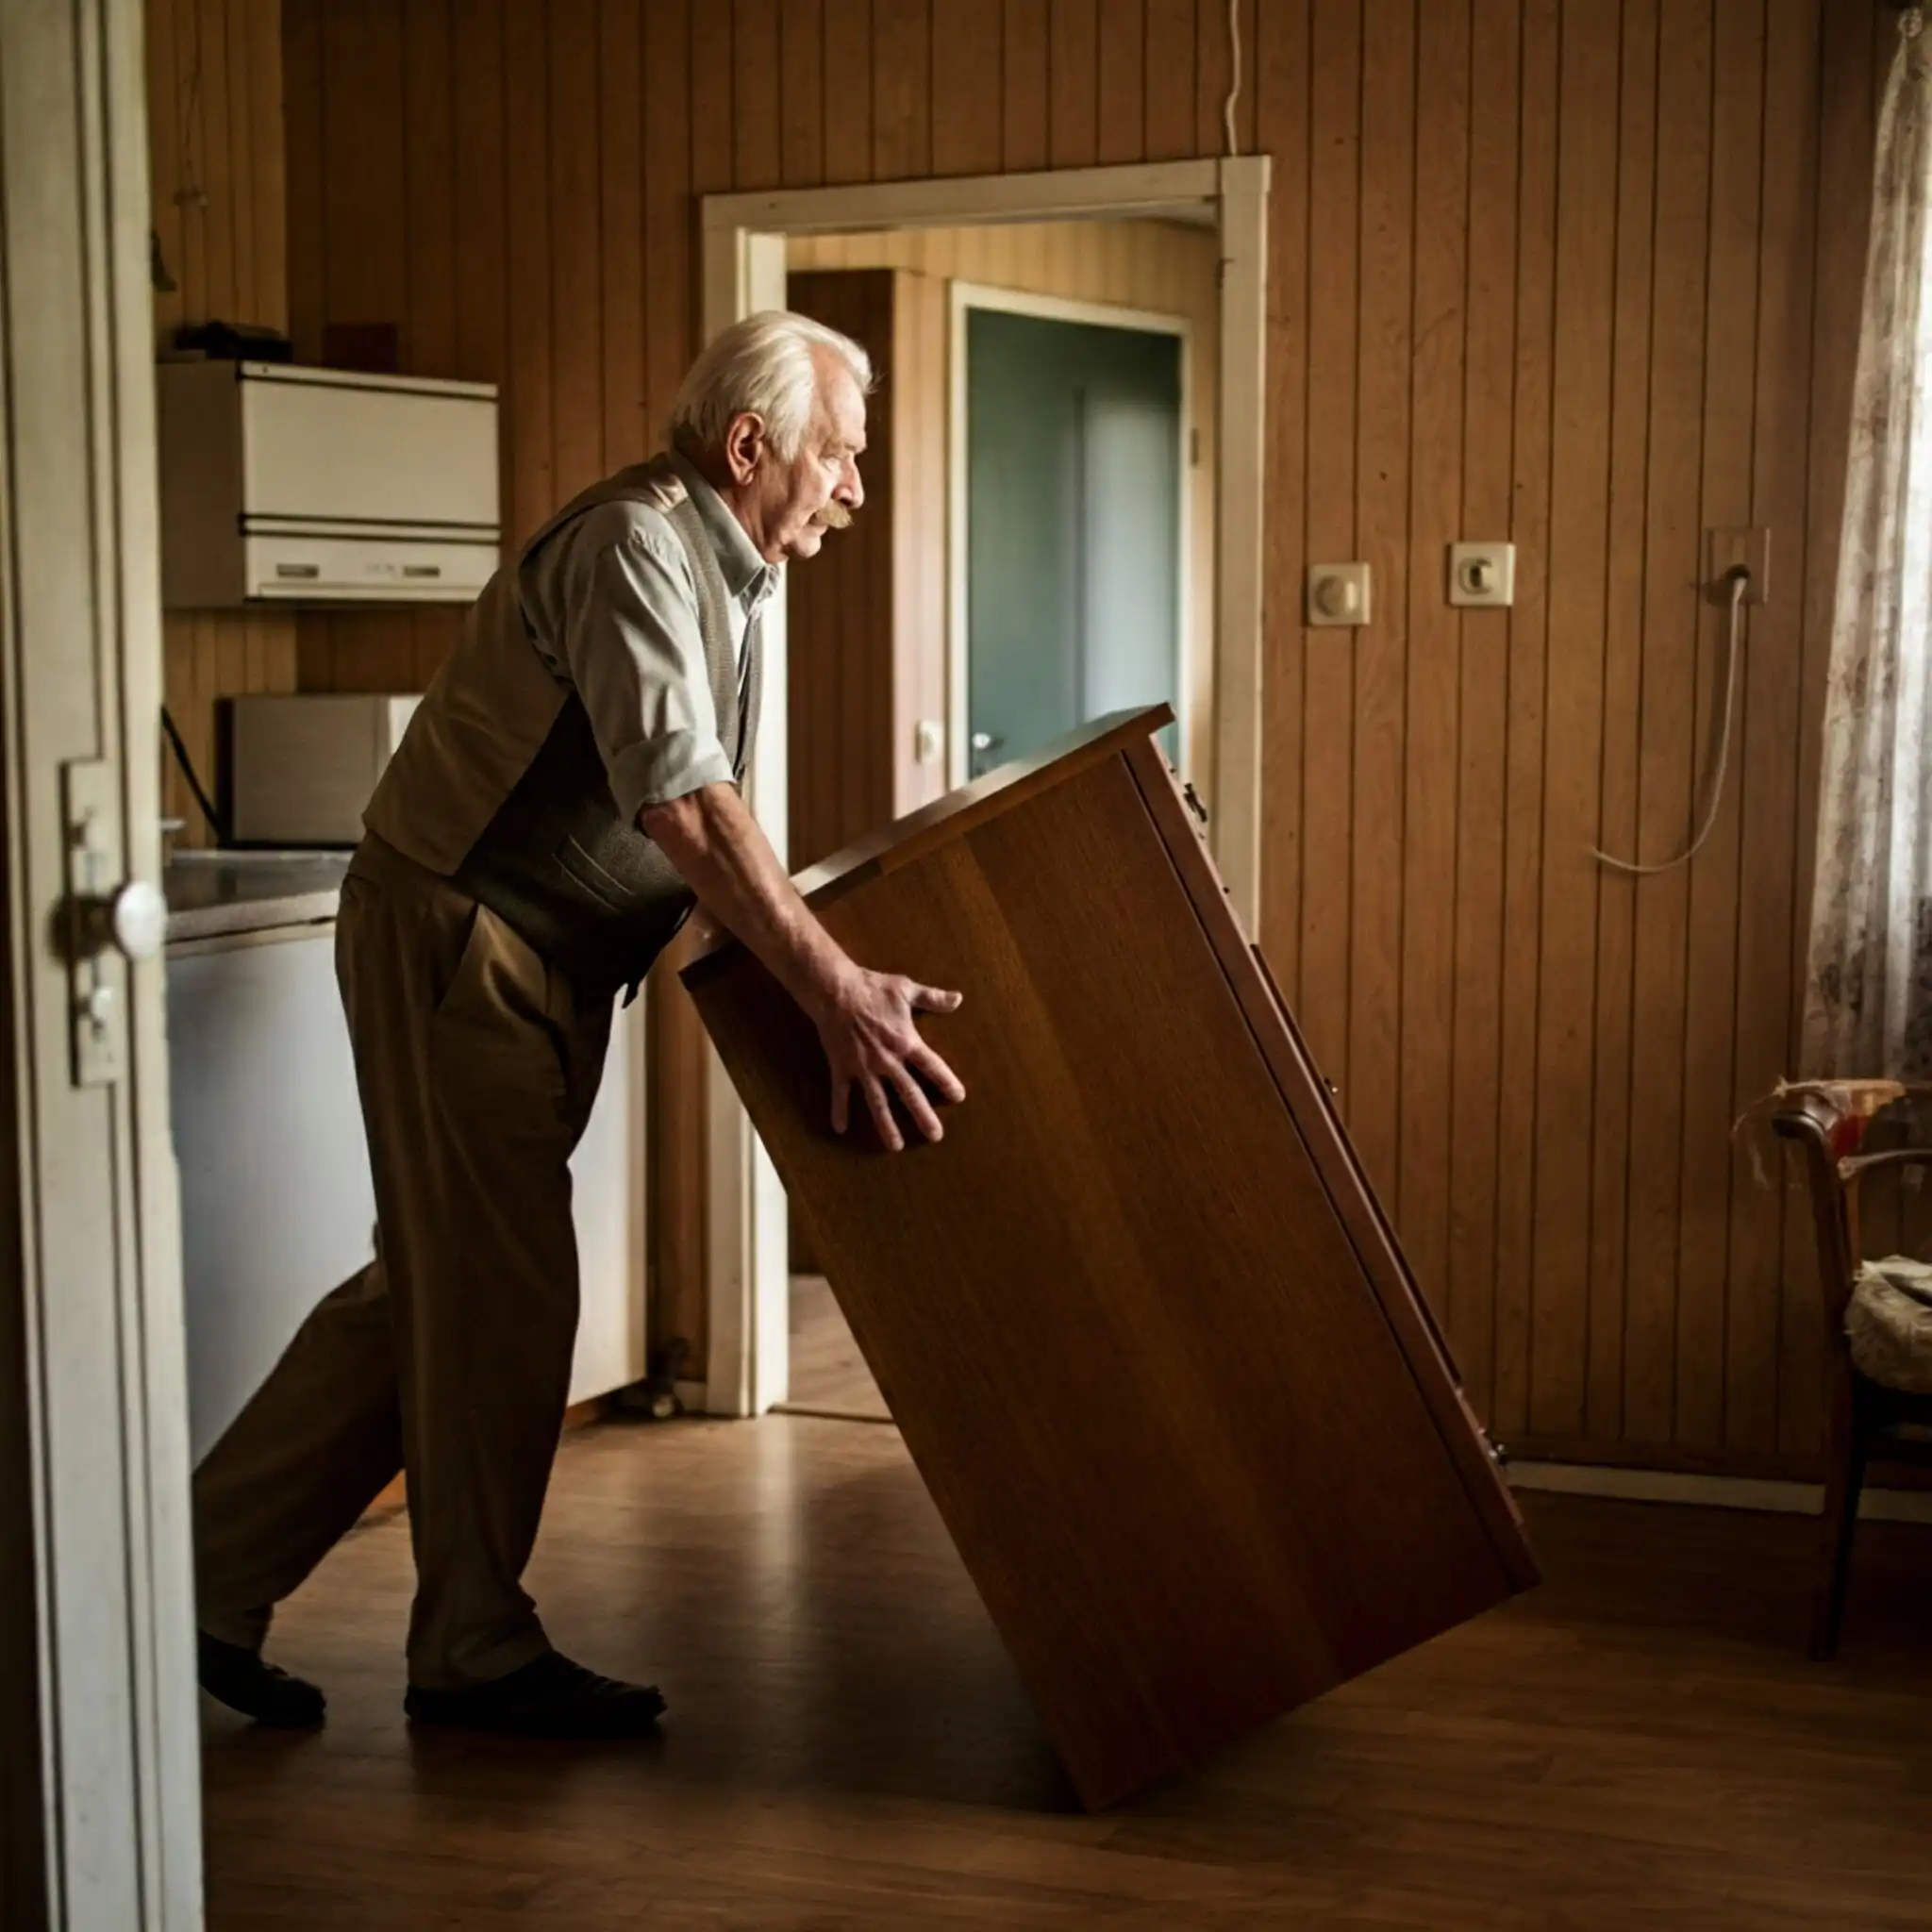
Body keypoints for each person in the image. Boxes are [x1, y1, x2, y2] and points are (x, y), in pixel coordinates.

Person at [192, 310, 964, 1739]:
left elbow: (705, 801)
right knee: (503, 1290)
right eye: (840, 459)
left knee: (432, 1287)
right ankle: (471, 1647)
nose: (856, 492)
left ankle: (195, 1581)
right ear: (751, 445)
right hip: (461, 931)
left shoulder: (737, 572)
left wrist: (800, 952)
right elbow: (682, 800)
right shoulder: (635, 547)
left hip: (540, 950)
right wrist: (832, 987)